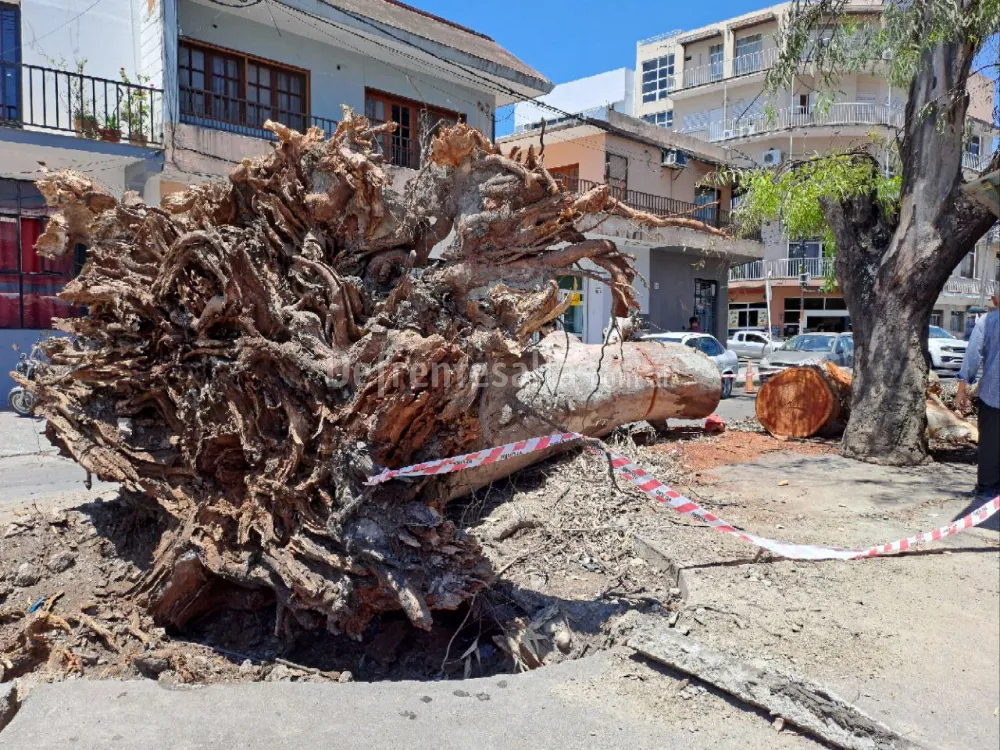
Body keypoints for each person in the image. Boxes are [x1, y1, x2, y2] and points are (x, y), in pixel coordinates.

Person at [957, 291, 1000, 500]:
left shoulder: (987, 321)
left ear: (995, 300)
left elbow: (973, 355)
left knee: (990, 442)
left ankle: (987, 487)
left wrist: (962, 388)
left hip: (993, 393)